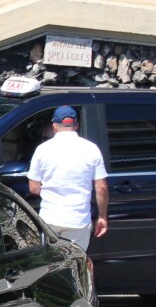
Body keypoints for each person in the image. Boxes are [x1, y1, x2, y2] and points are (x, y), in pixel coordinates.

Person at [27, 105, 109, 251]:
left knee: (50, 265)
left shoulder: (42, 150)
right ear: (76, 125)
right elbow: (101, 187)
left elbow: (33, 188)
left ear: (54, 126)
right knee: (75, 265)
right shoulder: (91, 148)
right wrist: (102, 217)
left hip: (49, 218)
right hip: (78, 221)